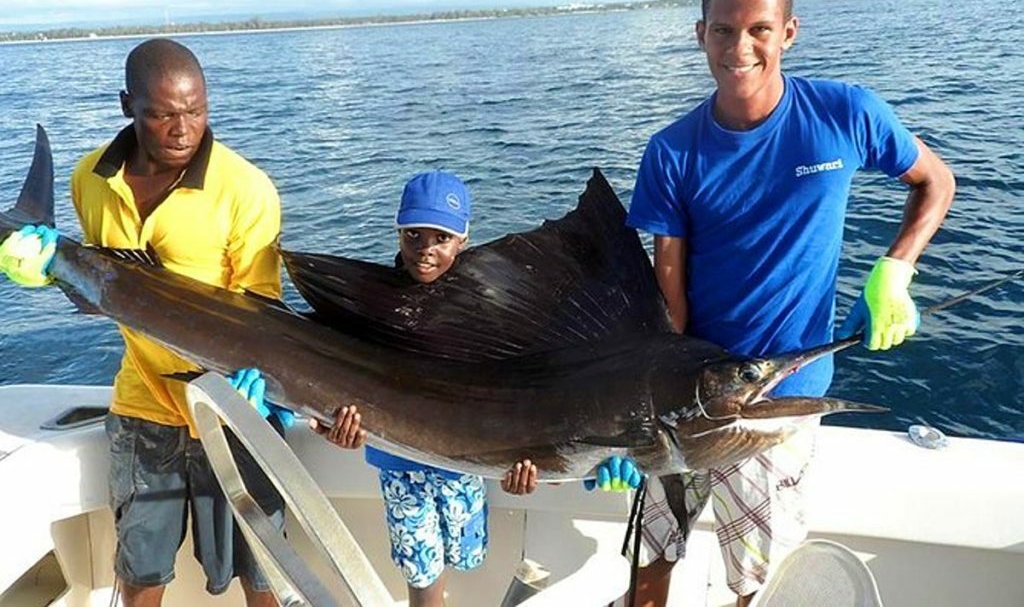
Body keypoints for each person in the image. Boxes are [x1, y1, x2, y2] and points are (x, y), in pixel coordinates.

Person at [625, 0, 955, 607]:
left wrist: (896, 269)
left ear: (789, 32)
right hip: (684, 397)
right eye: (722, 30)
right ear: (700, 34)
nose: (739, 47)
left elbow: (934, 182)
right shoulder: (672, 151)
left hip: (780, 402)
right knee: (647, 569)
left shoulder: (844, 113)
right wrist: (633, 416)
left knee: (759, 586)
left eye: (758, 30)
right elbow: (670, 302)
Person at [0, 38, 291, 606]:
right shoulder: (91, 179)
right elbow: (105, 290)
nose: (183, 129)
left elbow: (262, 308)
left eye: (196, 110)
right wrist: (43, 268)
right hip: (143, 404)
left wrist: (263, 392)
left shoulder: (246, 189)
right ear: (126, 105)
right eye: (162, 114)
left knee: (266, 572)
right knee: (140, 572)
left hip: (236, 406)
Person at [313, 170, 642, 607]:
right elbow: (327, 386)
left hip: (469, 469)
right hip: (403, 468)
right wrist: (329, 426)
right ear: (396, 233)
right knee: (424, 582)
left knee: (465, 561)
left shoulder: (490, 311)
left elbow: (536, 406)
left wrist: (556, 476)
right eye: (413, 235)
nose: (426, 251)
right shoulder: (376, 306)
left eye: (441, 238)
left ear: (463, 240)